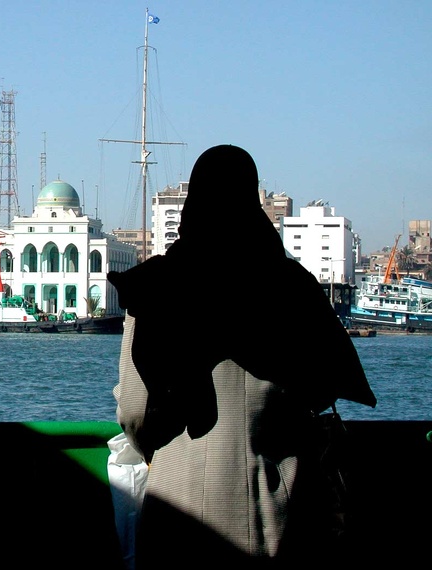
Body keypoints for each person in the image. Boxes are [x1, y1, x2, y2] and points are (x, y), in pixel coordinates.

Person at [107, 144, 376, 565]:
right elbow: (323, 390)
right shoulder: (292, 287)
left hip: (175, 508)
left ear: (194, 202)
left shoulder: (156, 285)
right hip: (276, 509)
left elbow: (136, 413)